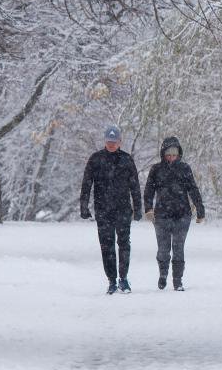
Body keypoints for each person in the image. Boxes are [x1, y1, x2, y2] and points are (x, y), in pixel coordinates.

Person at [80, 125, 142, 295]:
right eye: (109, 141)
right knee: (106, 246)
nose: (111, 144)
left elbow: (134, 185)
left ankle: (123, 278)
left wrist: (138, 207)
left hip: (123, 209)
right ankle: (111, 280)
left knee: (123, 244)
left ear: (120, 142)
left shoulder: (127, 160)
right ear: (105, 141)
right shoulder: (96, 159)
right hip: (103, 210)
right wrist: (84, 206)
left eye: (114, 142)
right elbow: (86, 184)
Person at [143, 137, 206, 291]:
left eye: (174, 154)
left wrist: (200, 209)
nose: (171, 157)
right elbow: (148, 191)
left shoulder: (184, 168)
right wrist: (148, 209)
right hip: (161, 216)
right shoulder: (156, 170)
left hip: (182, 215)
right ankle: (163, 274)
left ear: (179, 154)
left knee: (179, 248)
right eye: (168, 154)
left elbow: (193, 189)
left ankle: (177, 280)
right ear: (163, 154)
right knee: (163, 249)